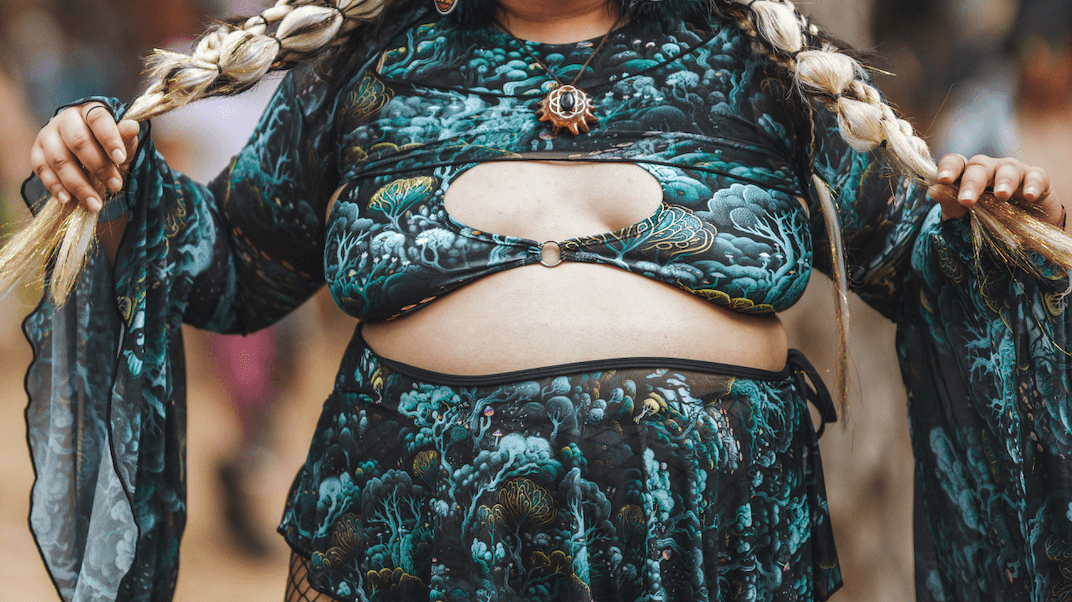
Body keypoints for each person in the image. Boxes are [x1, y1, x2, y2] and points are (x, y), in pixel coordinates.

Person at [7, 0, 1071, 601]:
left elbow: (915, 258)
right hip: (403, 553)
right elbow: (238, 261)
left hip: (703, 556)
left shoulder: (758, 66)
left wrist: (990, 229)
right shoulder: (375, 64)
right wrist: (120, 185)